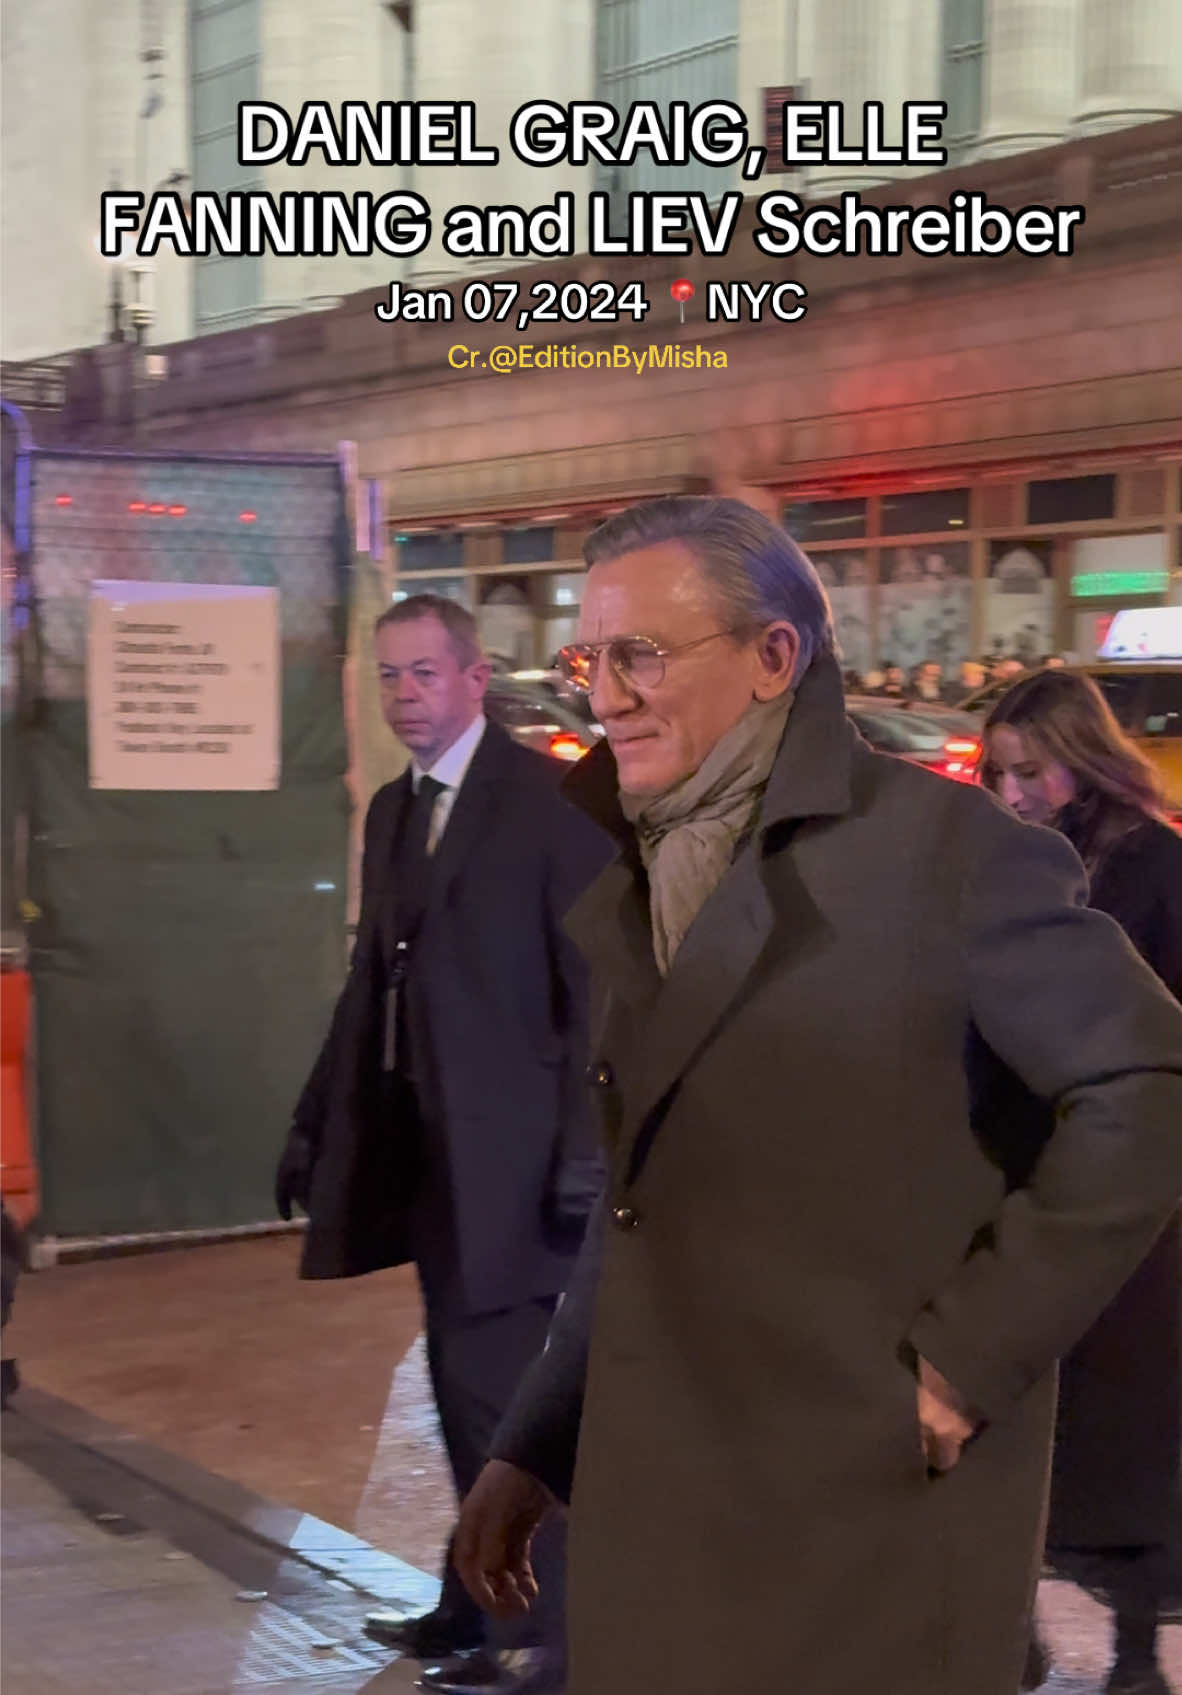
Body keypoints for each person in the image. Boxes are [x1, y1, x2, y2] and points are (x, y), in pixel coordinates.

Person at [448, 496, 1182, 1695]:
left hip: (860, 1531)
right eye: (593, 657)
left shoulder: (945, 853)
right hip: (675, 1519)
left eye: (641, 654)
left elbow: (1148, 1083)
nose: (605, 693)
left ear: (774, 658)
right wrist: (532, 1446)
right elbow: (641, 1206)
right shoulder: (649, 868)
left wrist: (965, 1364)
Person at [275, 594, 611, 1695]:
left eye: (424, 674)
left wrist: (578, 1158)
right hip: (427, 1162)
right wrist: (319, 1118)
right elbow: (373, 979)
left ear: (475, 677)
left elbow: (594, 997)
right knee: (465, 1391)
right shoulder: (392, 810)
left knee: (508, 1405)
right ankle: (474, 1605)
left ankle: (551, 1641)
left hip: (517, 1175)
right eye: (388, 677)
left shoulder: (551, 803)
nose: (405, 696)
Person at [981, 669, 1182, 1695]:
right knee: (1020, 1423)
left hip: (1133, 1201)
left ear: (1081, 757)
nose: (1014, 791)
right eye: (999, 772)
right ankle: (1008, 1630)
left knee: (1127, 1436)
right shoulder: (1006, 870)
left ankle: (1139, 1653)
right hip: (1031, 1180)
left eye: (1032, 771)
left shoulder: (1151, 863)